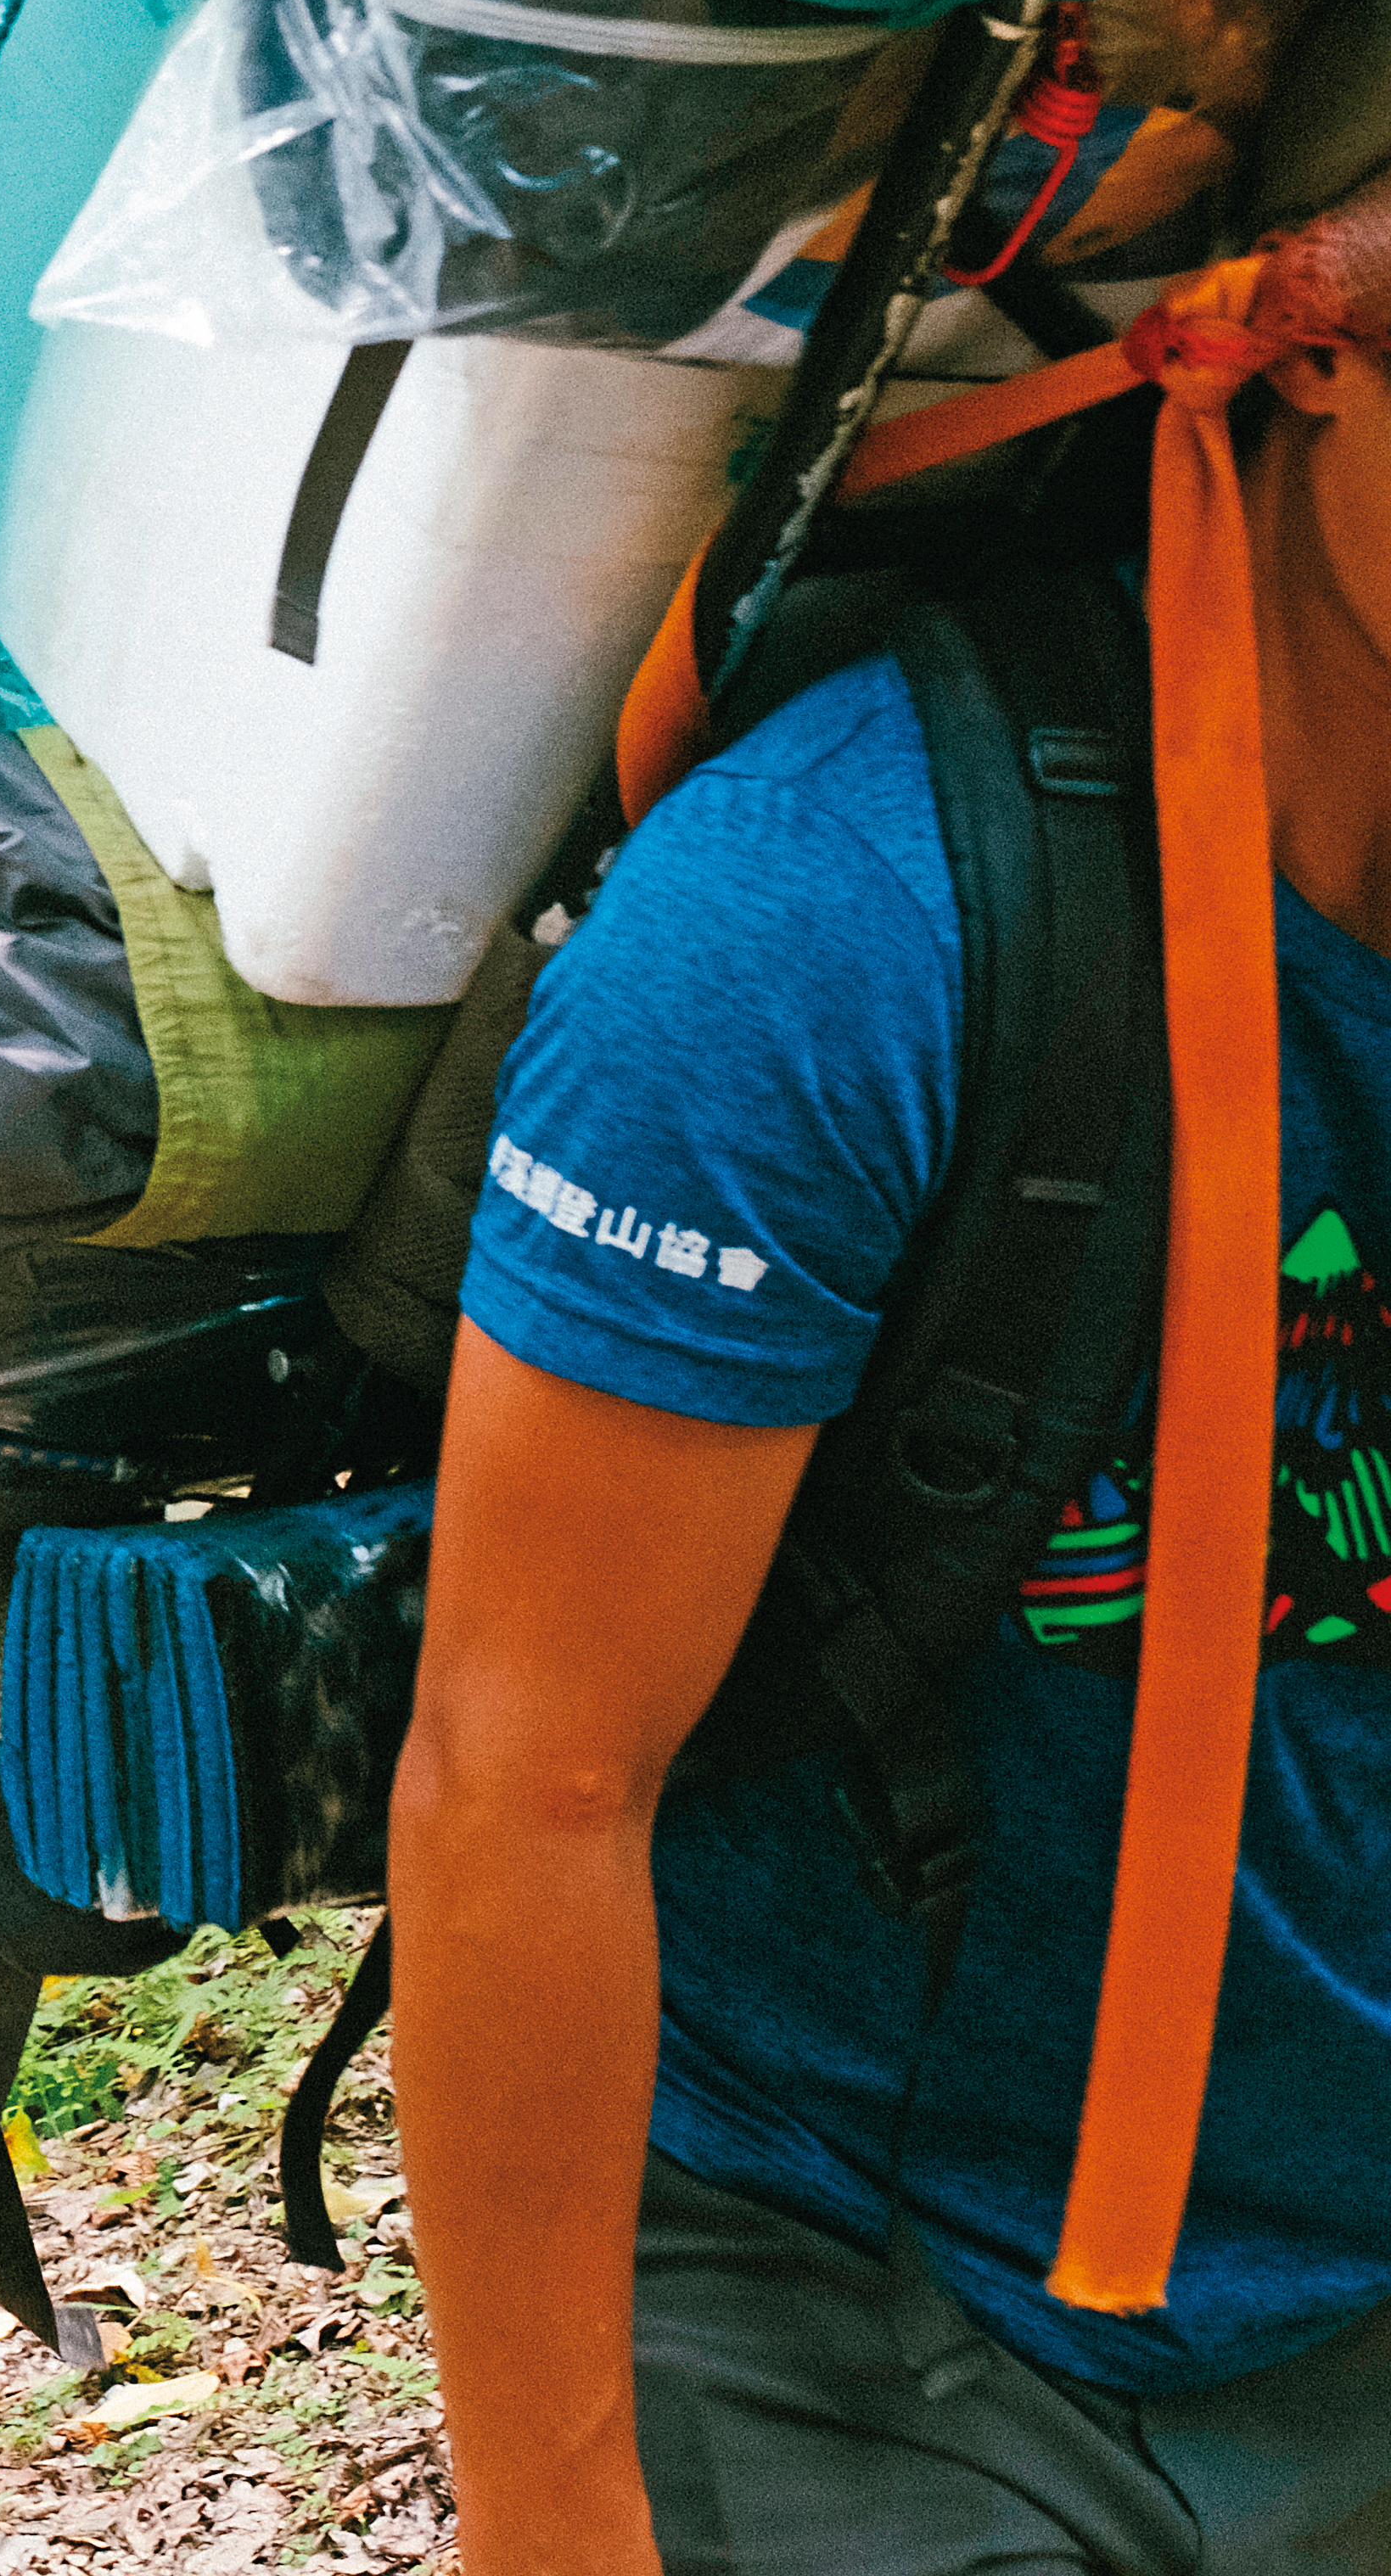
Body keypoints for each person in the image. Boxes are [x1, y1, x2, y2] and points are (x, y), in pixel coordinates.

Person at [395, 193, 1391, 2573]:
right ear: (1324, 322)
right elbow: (526, 1775)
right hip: (863, 2308)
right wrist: (554, 2528)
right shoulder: (831, 911)